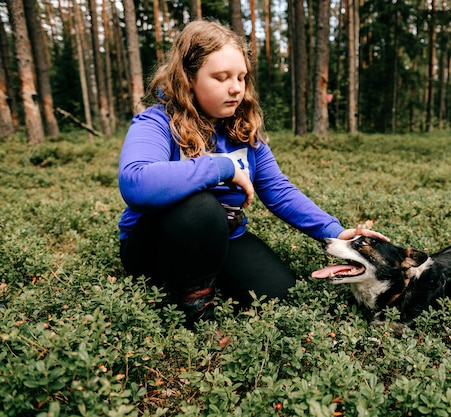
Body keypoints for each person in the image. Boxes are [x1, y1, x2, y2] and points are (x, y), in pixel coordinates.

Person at [117, 20, 387, 327]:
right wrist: (223, 167)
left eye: (241, 77)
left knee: (278, 296)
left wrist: (335, 231)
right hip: (153, 246)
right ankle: (195, 308)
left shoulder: (241, 129)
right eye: (220, 77)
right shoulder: (157, 123)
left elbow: (279, 191)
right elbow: (136, 182)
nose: (235, 88)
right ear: (188, 78)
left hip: (225, 237)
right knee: (201, 206)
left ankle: (206, 272)